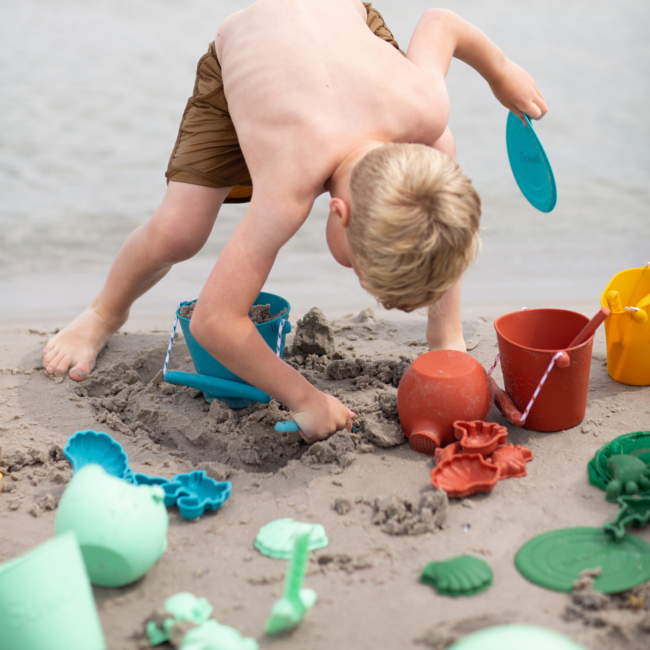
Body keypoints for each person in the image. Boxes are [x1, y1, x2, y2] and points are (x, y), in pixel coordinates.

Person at [42, 0, 547, 441]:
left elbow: (441, 23)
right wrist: (304, 398)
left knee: (439, 146)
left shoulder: (423, 103)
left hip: (345, 28)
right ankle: (104, 313)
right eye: (359, 271)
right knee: (179, 231)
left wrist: (501, 73)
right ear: (338, 212)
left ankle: (446, 340)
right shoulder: (287, 188)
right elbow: (214, 322)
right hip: (247, 52)